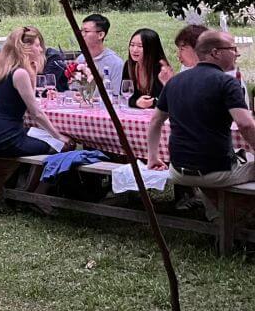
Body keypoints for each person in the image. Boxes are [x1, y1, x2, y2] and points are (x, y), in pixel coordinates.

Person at [147, 31, 255, 216]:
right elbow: (245, 125)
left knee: (234, 159)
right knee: (238, 163)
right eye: (232, 49)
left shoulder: (174, 82)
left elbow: (155, 121)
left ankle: (218, 218)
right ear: (215, 53)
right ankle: (241, 220)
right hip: (216, 172)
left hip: (178, 170)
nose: (237, 53)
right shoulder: (227, 83)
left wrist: (152, 157)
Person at [0, 26, 68, 157]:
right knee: (60, 145)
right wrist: (59, 136)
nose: (41, 50)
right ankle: (41, 178)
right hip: (7, 140)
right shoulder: (20, 73)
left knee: (43, 137)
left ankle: (24, 177)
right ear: (26, 48)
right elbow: (36, 113)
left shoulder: (4, 69)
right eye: (37, 45)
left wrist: (33, 70)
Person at [122, 29, 172, 109]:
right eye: (132, 45)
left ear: (151, 48)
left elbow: (167, 99)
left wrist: (151, 103)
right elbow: (123, 96)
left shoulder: (161, 69)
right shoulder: (129, 65)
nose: (134, 50)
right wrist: (137, 103)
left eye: (140, 46)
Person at [76, 14, 124, 96]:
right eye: (81, 31)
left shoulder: (116, 63)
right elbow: (74, 90)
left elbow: (117, 96)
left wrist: (93, 100)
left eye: (86, 31)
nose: (81, 35)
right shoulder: (80, 59)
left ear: (101, 35)